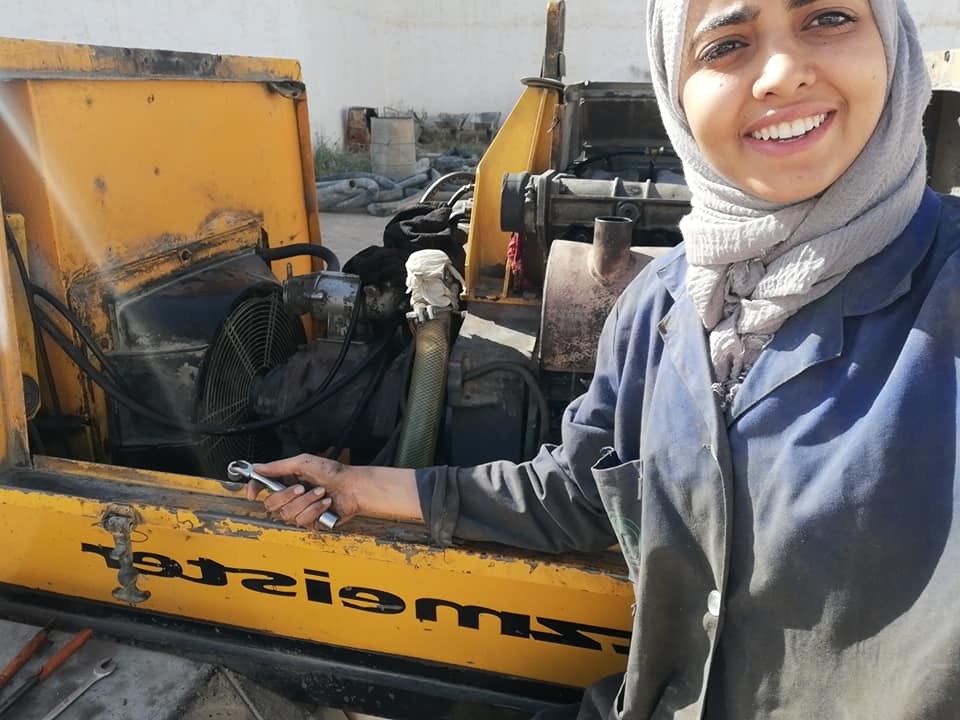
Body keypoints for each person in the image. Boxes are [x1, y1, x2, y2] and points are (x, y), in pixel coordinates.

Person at [248, 0, 960, 716]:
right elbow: (581, 493)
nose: (780, 73)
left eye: (828, 18)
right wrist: (358, 486)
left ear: (893, 43)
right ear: (675, 91)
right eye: (725, 44)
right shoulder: (662, 303)